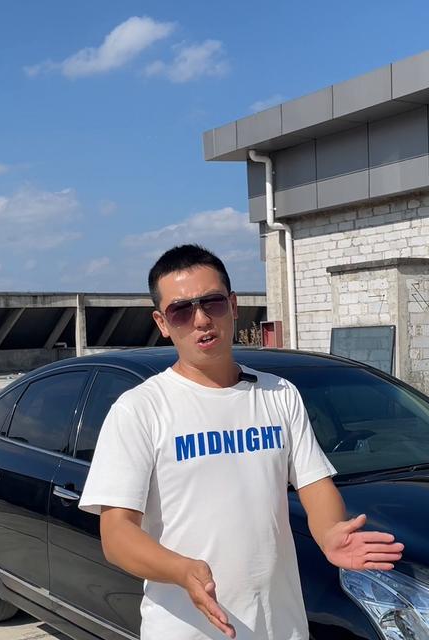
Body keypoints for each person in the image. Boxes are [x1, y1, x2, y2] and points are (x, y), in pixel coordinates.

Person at [79, 244, 403, 640]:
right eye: (181, 310)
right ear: (162, 322)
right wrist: (180, 570)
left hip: (281, 627)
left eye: (212, 303)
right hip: (188, 629)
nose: (201, 320)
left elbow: (315, 485)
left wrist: (329, 532)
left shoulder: (279, 394)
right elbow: (117, 535)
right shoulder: (140, 409)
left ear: (233, 306)